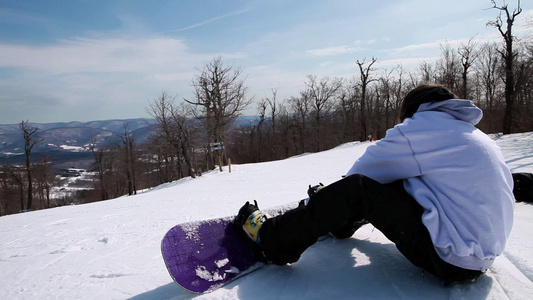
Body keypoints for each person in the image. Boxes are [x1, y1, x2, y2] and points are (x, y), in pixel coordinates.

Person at [234, 84, 515, 287]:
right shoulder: (469, 133)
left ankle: (271, 240)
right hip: (479, 253)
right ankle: (341, 225)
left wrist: (324, 201)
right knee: (396, 182)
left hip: (453, 258)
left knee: (358, 188)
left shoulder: (419, 130)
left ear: (412, 112)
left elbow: (359, 179)